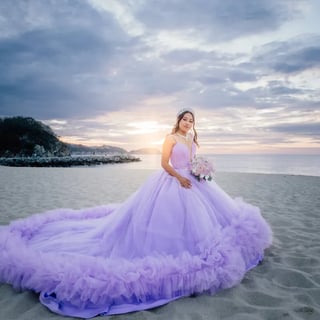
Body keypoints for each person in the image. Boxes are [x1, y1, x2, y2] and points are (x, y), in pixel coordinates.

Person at [0, 108, 272, 318]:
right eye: (185, 119)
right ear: (178, 121)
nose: (188, 123)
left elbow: (192, 161)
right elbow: (164, 163)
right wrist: (180, 178)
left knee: (208, 220)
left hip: (194, 182)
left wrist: (200, 171)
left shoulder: (191, 140)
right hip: (172, 182)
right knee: (166, 221)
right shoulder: (170, 138)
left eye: (192, 120)